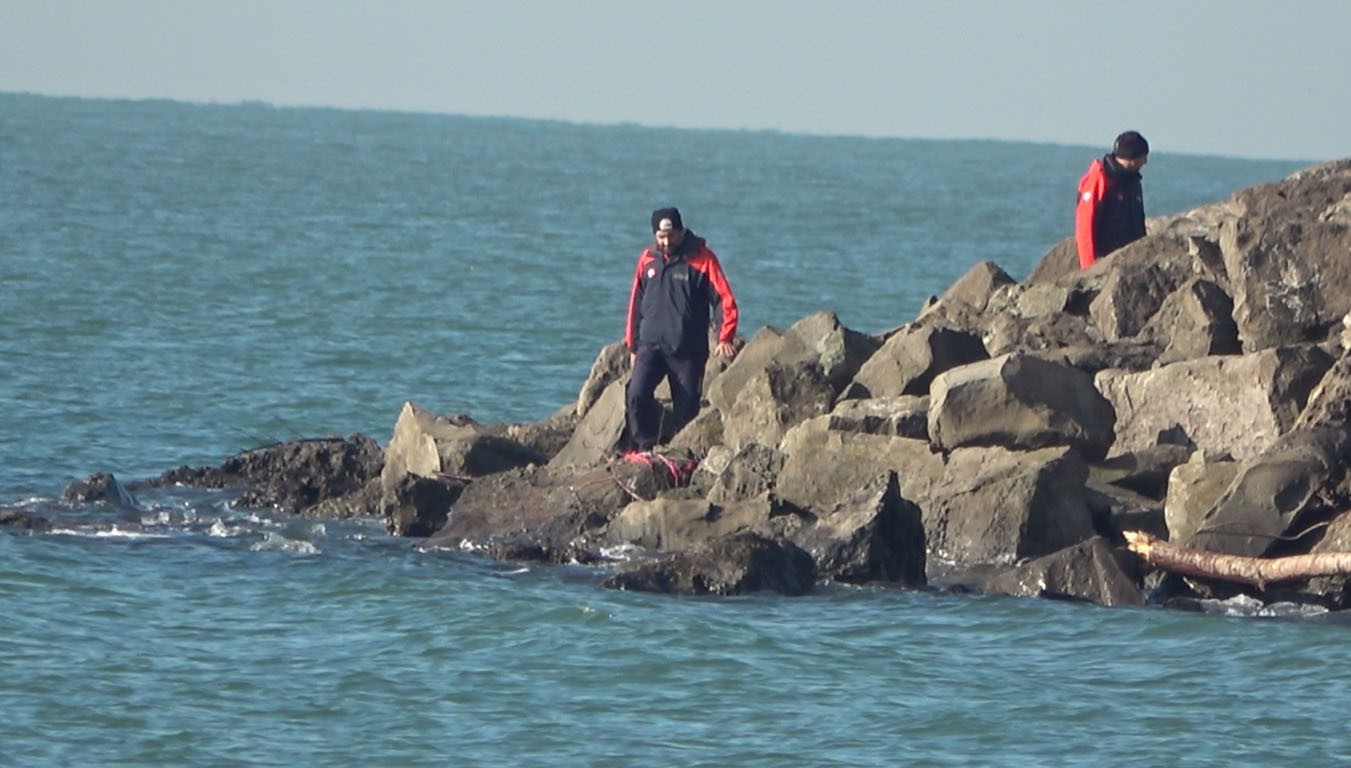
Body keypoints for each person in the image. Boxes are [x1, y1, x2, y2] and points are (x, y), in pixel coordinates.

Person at [623, 207, 739, 452]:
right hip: (650, 346)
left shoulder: (703, 259)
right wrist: (633, 344)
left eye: (671, 236)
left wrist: (724, 336)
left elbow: (723, 299)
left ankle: (681, 456)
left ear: (681, 231)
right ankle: (643, 448)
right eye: (661, 237)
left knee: (686, 412)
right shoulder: (647, 259)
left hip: (687, 352)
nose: (666, 242)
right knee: (636, 394)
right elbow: (636, 303)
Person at [1075, 130, 1150, 269]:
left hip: (1130, 262)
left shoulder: (1134, 182)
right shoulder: (1100, 179)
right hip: (1105, 262)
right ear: (1132, 157)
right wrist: (1090, 270)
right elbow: (1085, 228)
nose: (1145, 162)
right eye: (1143, 157)